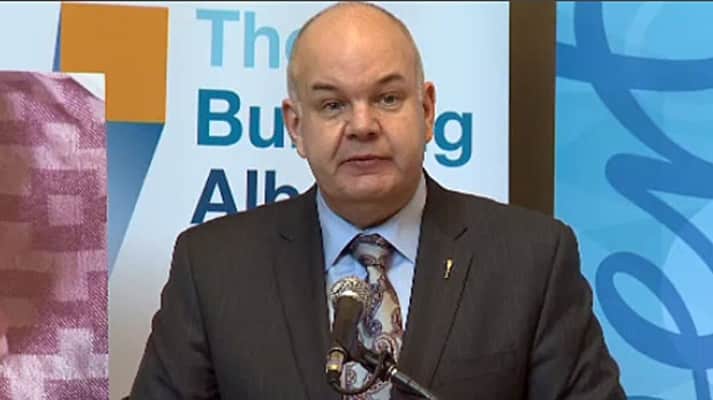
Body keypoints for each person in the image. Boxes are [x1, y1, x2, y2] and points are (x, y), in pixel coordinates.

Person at [130, 2, 626, 399]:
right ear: (296, 127)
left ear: (427, 110)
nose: (363, 125)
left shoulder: (531, 259)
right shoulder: (213, 266)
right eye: (332, 105)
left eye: (388, 98)